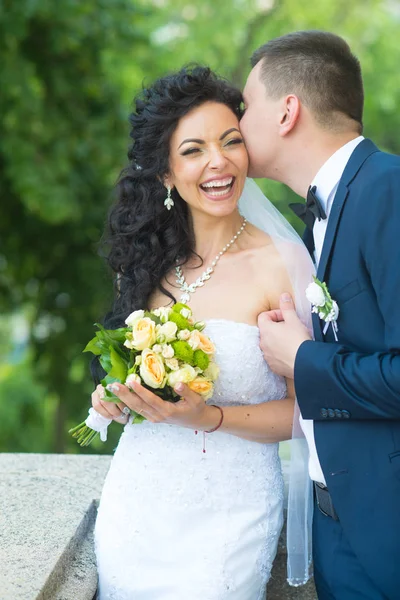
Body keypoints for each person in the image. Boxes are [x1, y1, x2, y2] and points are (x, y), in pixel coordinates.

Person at [91, 66, 314, 599]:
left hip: (231, 517)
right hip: (136, 509)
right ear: (166, 173)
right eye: (193, 150)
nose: (218, 161)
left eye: (230, 141)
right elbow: (133, 378)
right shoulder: (145, 263)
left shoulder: (281, 263)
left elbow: (307, 411)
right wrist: (117, 398)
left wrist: (207, 416)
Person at [241, 30, 400, 599]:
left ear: (287, 111)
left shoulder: (390, 191)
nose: (238, 125)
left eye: (245, 105)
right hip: (335, 529)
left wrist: (304, 358)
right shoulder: (326, 208)